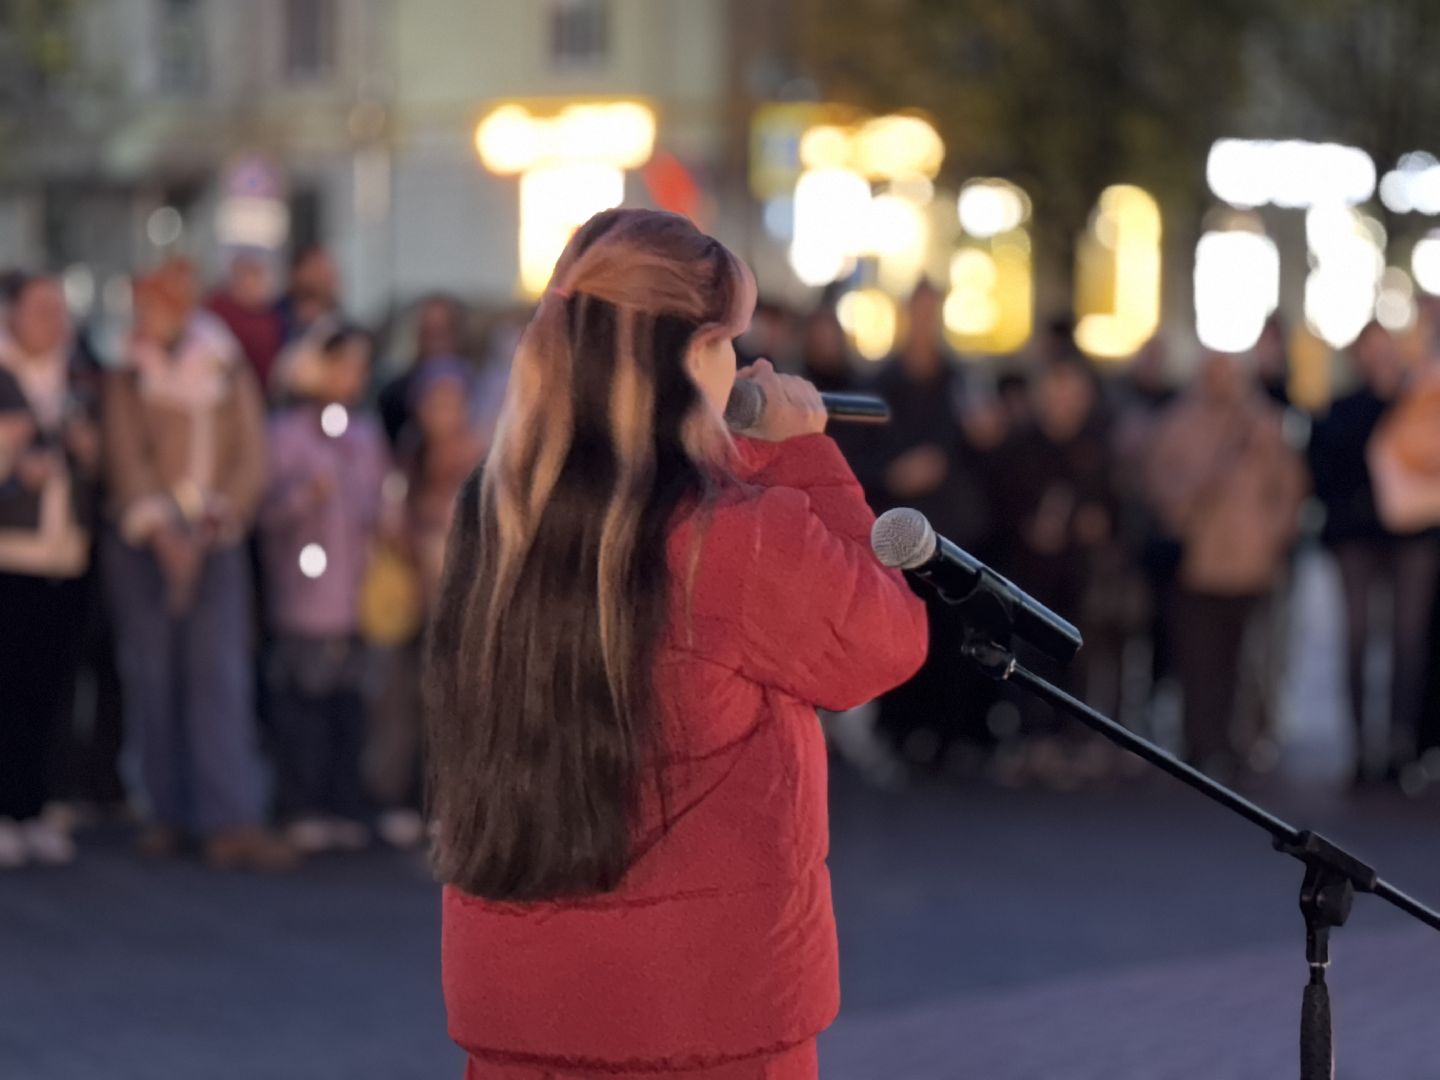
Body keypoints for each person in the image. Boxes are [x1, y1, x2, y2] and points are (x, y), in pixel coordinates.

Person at [427, 209, 927, 1078]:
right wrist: (802, 454)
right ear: (693, 357)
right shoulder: (733, 538)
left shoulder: (495, 512)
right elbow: (885, 640)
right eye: (733, 340)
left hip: (520, 1003)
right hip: (703, 1018)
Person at [102, 260, 293, 870]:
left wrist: (217, 520)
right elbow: (125, 456)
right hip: (144, 544)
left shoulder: (222, 360)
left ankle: (229, 816)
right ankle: (167, 811)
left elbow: (248, 449)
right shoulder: (127, 370)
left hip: (216, 537)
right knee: (155, 675)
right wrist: (162, 531)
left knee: (220, 677)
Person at [258, 326, 388, 853]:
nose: (352, 378)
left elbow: (378, 504)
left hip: (356, 590)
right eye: (342, 366)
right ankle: (299, 802)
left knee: (347, 702)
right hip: (302, 587)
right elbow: (265, 510)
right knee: (300, 701)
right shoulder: (287, 433)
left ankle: (340, 800)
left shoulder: (365, 435)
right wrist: (301, 498)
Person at [1146, 350, 1306, 778]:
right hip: (1199, 562)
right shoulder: (1179, 422)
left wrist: (1274, 534)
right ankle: (1202, 741)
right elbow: (1160, 481)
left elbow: (1290, 487)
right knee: (1199, 659)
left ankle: (1244, 742)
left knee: (1250, 661)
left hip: (1253, 562)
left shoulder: (1266, 424)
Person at [860, 281, 994, 765]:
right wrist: (896, 473)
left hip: (953, 529)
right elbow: (862, 452)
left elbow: (983, 444)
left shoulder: (959, 380)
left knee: (950, 631)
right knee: (899, 627)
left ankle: (948, 732)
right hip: (900, 529)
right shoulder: (883, 383)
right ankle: (901, 728)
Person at [0, 274, 101, 867]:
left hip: (67, 551)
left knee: (54, 684)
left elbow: (103, 454)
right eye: (40, 309)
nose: (52, 320)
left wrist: (90, 449)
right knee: (8, 685)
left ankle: (37, 805)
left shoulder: (80, 372)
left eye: (58, 309)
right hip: (11, 553)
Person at [1311, 321, 1440, 784]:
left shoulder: (1421, 400)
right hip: (1357, 537)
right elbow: (1323, 467)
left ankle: (1401, 747)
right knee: (1358, 639)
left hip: (1413, 538)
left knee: (1409, 643)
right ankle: (1362, 748)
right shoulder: (1343, 408)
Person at [378, 294, 466, 446]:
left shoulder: (475, 382)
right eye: (428, 331)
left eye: (441, 331)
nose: (435, 340)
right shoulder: (393, 396)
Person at [206, 249, 283, 393]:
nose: (253, 283)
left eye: (258, 275)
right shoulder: (216, 314)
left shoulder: (272, 317)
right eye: (248, 275)